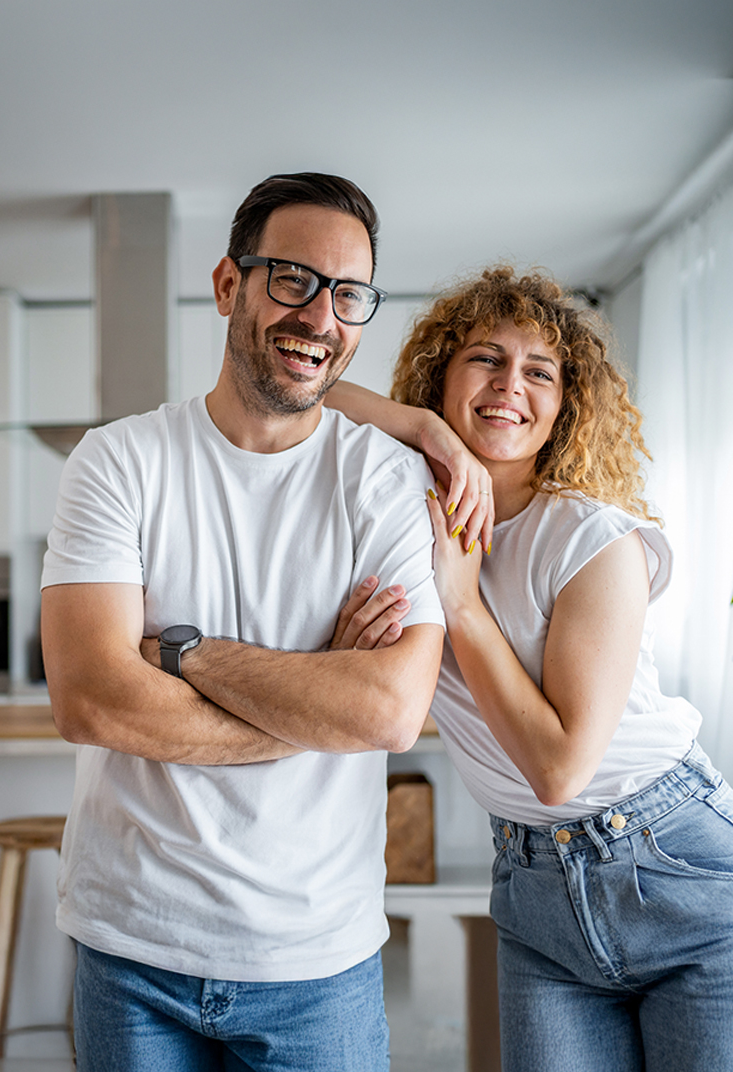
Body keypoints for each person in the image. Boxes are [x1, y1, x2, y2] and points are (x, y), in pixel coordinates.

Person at [40, 172, 459, 1072]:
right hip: (133, 948)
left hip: (318, 961)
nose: (320, 316)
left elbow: (385, 715)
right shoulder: (118, 462)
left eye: (349, 294)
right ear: (230, 285)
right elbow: (93, 703)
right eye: (293, 280)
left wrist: (183, 655)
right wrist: (314, 700)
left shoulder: (385, 481)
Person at [327, 265, 733, 1072]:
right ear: (440, 378)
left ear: (565, 405)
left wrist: (462, 604)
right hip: (534, 889)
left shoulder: (593, 540)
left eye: (539, 372)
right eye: (485, 358)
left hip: (674, 867)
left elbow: (559, 768)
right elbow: (312, 395)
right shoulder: (406, 517)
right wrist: (430, 436)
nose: (510, 386)